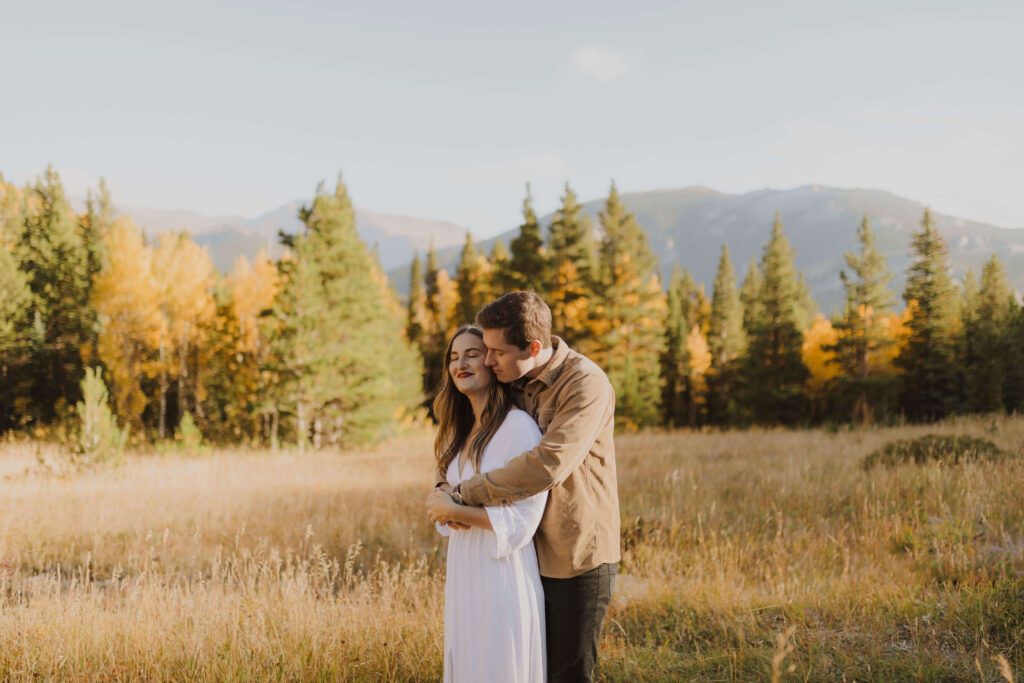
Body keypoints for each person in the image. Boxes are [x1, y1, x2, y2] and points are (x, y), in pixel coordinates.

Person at [444, 291, 620, 683]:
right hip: (528, 553)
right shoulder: (516, 377)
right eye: (484, 350)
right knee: (531, 668)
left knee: (567, 674)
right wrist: (446, 482)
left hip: (576, 554)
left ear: (533, 347)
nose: (488, 360)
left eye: (496, 352)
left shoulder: (584, 384)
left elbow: (547, 465)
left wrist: (464, 494)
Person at [425, 324, 548, 683]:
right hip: (466, 568)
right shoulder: (460, 434)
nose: (460, 363)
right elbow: (442, 497)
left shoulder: (518, 427)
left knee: (497, 666)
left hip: (502, 573)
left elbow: (527, 517)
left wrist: (458, 511)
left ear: (493, 364)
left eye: (472, 354)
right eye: (453, 357)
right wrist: (445, 506)